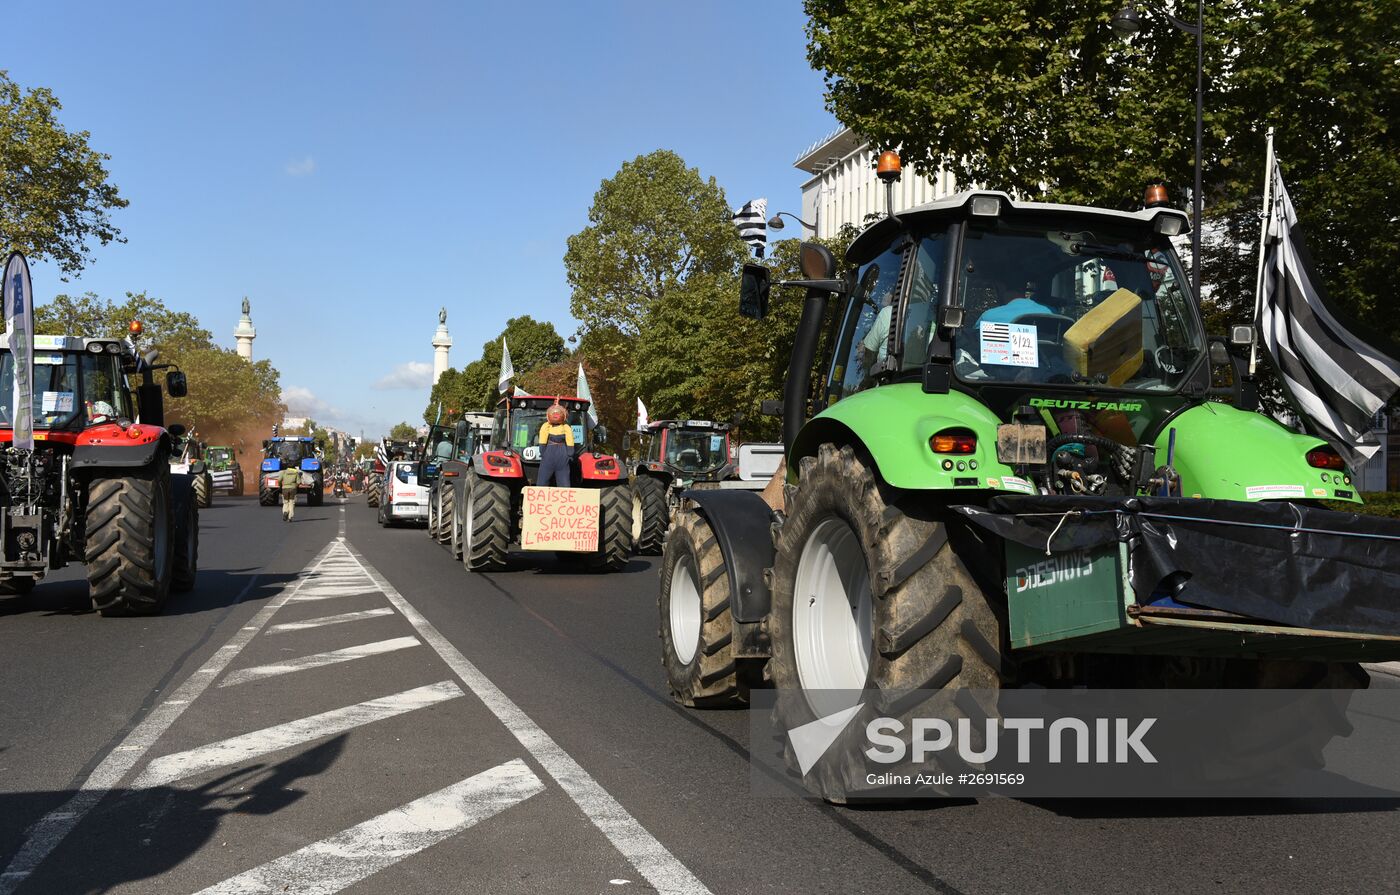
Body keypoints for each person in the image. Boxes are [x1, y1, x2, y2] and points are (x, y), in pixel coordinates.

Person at [536, 403, 574, 487]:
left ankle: (540, 495)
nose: (555, 415)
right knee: (564, 482)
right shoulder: (566, 427)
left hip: (549, 455)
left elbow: (542, 441)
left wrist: (542, 452)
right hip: (562, 455)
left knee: (542, 481)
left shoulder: (546, 426)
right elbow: (570, 441)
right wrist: (570, 453)